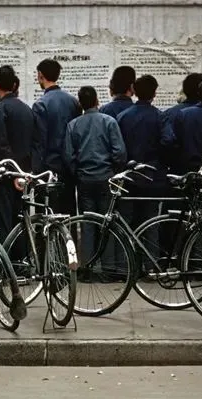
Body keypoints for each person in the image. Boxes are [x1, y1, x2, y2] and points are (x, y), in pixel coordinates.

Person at [64, 86, 127, 281]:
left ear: (80, 103)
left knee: (88, 224)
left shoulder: (73, 125)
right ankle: (109, 268)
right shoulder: (109, 122)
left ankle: (88, 268)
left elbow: (68, 156)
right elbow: (119, 152)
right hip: (106, 178)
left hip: (84, 180)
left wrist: (77, 173)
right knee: (107, 223)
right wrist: (114, 171)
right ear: (97, 100)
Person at [0, 66, 40, 242]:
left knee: (3, 224)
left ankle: (4, 259)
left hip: (4, 176)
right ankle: (21, 257)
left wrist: (13, 173)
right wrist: (26, 172)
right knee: (21, 222)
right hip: (24, 175)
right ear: (14, 85)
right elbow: (35, 142)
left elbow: (1, 145)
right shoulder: (27, 109)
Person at [117, 74, 175, 230]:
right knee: (151, 222)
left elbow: (118, 146)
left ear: (134, 91)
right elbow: (169, 140)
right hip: (153, 176)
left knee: (127, 222)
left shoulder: (122, 117)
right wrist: (159, 159)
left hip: (129, 175)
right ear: (154, 93)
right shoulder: (160, 117)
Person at [32, 58, 82, 217]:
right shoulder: (73, 102)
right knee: (68, 214)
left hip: (48, 169)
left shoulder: (41, 104)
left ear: (41, 75)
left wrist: (36, 172)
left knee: (46, 216)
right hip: (69, 168)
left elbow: (40, 142)